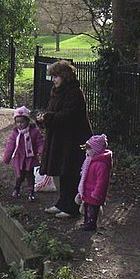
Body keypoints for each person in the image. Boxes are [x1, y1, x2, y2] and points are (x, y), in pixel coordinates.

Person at [37, 60, 93, 218]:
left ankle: (72, 207)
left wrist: (48, 118)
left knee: (71, 172)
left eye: (56, 76)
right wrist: (43, 118)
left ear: (65, 76)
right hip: (60, 139)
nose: (53, 80)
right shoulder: (57, 91)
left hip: (73, 140)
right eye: (53, 77)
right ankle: (62, 203)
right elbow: (53, 113)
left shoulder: (74, 93)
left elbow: (68, 116)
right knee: (62, 172)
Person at [2, 106, 45, 201]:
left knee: (30, 176)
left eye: (22, 122)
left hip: (30, 158)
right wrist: (7, 157)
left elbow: (40, 142)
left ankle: (31, 192)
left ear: (27, 121)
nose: (20, 124)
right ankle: (16, 188)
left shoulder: (34, 132)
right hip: (19, 158)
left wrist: (41, 151)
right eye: (18, 122)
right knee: (20, 175)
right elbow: (10, 145)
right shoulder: (15, 133)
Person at [75, 134, 113, 231]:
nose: (87, 151)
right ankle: (86, 222)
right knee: (87, 208)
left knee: (93, 210)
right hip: (87, 191)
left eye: (89, 149)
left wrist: (96, 193)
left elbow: (102, 181)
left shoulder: (100, 165)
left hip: (94, 193)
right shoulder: (89, 161)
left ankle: (91, 224)